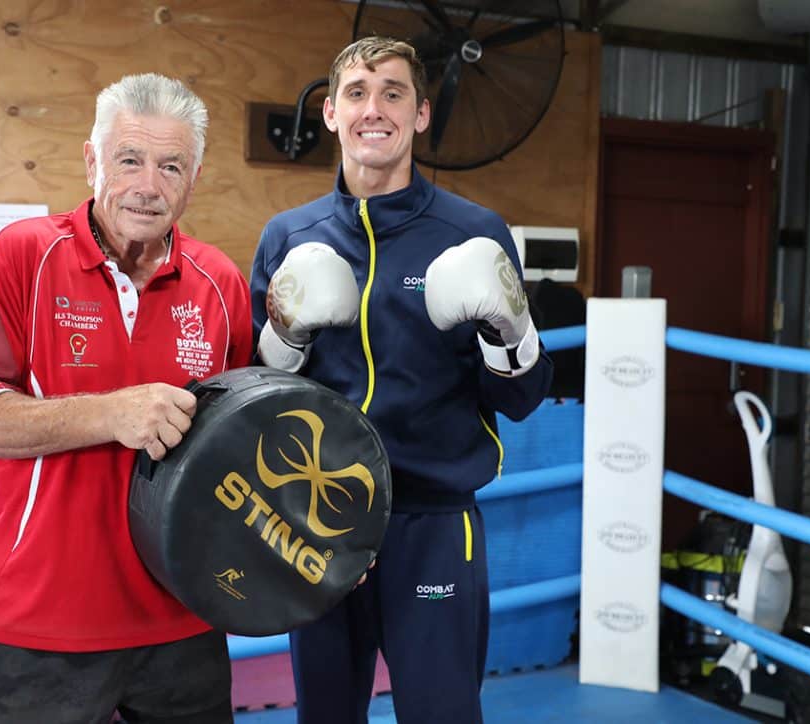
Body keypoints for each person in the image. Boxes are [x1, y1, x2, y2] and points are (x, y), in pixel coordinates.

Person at [250, 37, 553, 723]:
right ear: (331, 113)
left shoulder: (472, 233)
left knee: (441, 714)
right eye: (357, 92)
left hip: (433, 521)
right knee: (325, 715)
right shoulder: (288, 237)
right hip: (316, 520)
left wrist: (512, 332)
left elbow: (524, 398)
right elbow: (257, 400)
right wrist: (287, 335)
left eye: (393, 92)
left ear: (420, 115)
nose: (374, 108)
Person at [0, 73, 252, 724]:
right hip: (38, 625)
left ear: (194, 177)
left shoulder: (220, 282)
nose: (148, 185)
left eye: (171, 166)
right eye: (129, 160)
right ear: (92, 161)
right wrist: (110, 412)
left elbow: (243, 451)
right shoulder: (22, 255)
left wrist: (325, 545)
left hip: (182, 619)